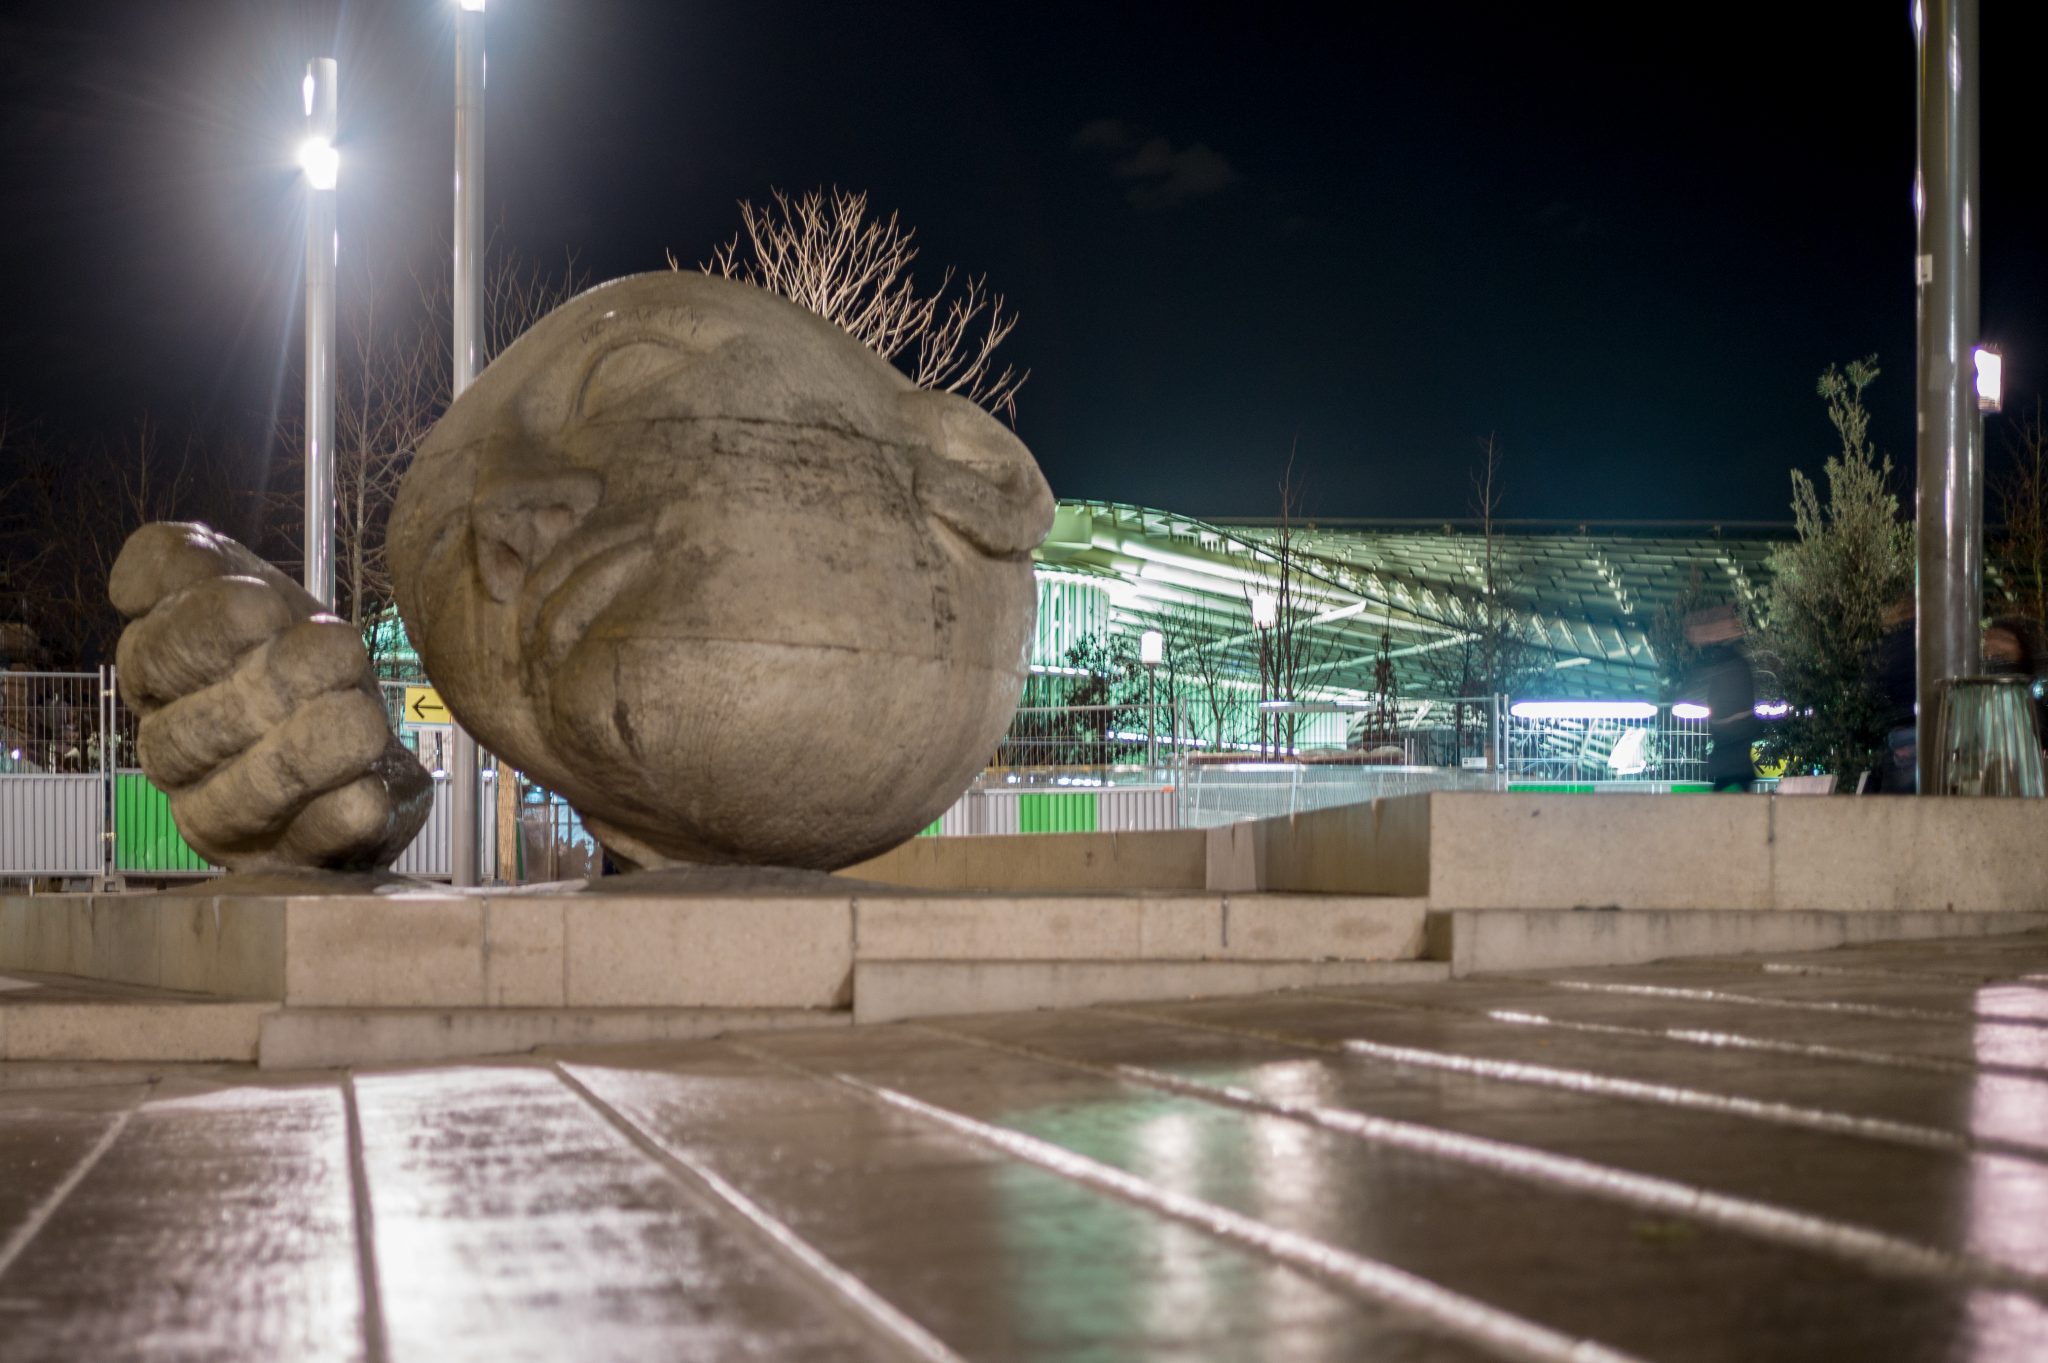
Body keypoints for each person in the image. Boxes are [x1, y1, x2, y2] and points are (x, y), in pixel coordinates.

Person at [1683, 606, 1759, 792]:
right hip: (1733, 732)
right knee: (1736, 779)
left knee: (1730, 779)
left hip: (1730, 732)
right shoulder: (1734, 661)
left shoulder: (1729, 663)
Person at [1870, 597, 1917, 793]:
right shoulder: (1921, 641)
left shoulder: (1894, 645)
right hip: (1914, 733)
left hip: (1903, 734)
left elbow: (1880, 686)